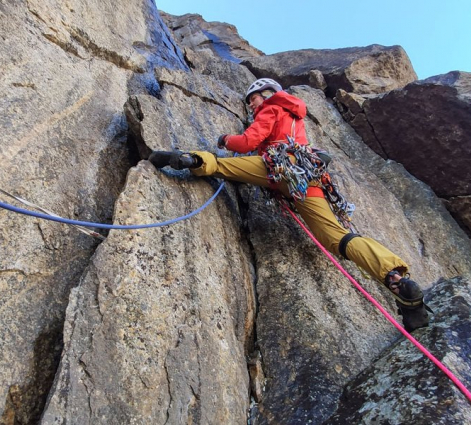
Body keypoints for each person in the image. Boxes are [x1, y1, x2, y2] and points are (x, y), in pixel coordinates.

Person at [149, 78, 429, 331]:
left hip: (278, 166)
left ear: (268, 93)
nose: (251, 104)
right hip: (308, 178)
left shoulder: (272, 107)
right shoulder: (296, 115)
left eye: (253, 98)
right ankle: (394, 278)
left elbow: (248, 142)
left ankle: (190, 160)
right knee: (336, 237)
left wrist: (225, 139)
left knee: (223, 165)